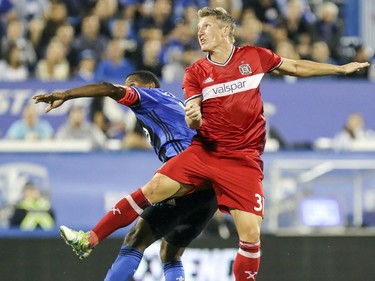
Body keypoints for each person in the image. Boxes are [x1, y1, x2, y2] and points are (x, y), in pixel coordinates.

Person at [35, 7, 369, 281]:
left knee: (248, 235)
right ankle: (91, 238)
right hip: (205, 154)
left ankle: (90, 239)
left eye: (206, 25)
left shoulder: (253, 57)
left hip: (242, 160)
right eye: (198, 27)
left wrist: (339, 69)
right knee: (164, 230)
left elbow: (295, 65)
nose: (200, 31)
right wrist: (194, 116)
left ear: (226, 30)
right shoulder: (195, 72)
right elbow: (194, 115)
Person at [33, 70, 217, 281]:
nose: (128, 87)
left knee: (136, 236)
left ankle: (90, 238)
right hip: (209, 190)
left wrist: (66, 94)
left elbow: (109, 88)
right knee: (170, 253)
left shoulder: (150, 97)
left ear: (148, 87)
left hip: (188, 169)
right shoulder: (173, 104)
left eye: (132, 84)